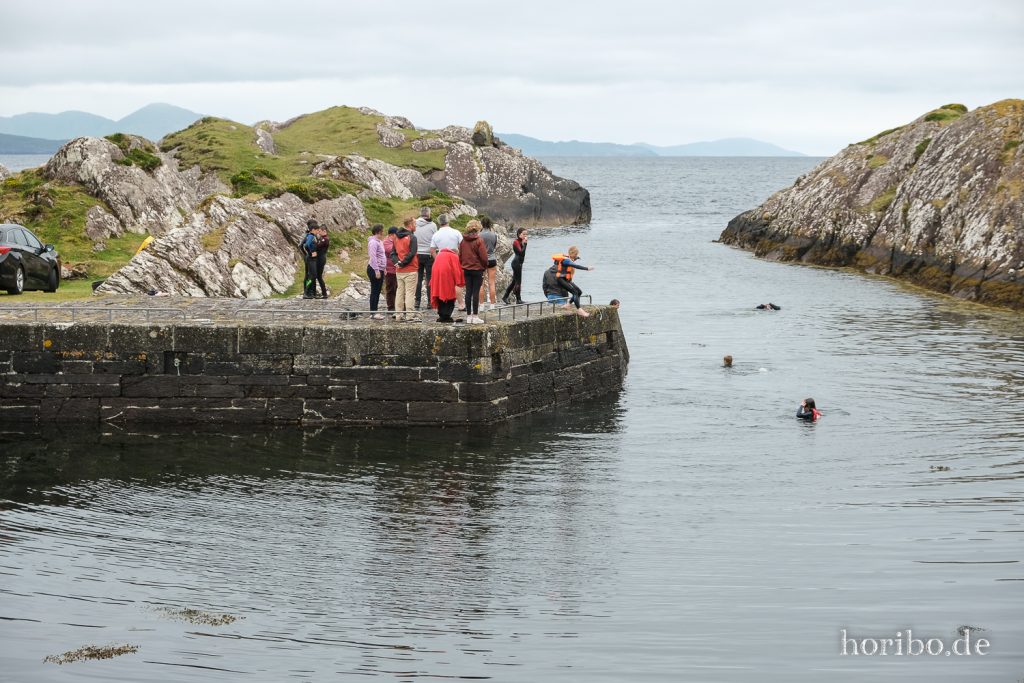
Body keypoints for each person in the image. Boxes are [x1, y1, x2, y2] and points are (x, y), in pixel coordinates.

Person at [459, 220, 489, 324]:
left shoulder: (463, 241)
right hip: (477, 269)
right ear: (478, 228)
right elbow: (484, 257)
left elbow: (460, 255)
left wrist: (463, 265)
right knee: (475, 292)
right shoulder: (479, 241)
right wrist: (484, 266)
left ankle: (468, 316)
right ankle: (475, 316)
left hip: (466, 269)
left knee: (468, 292)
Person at [551, 246, 594, 317]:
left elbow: (572, 262)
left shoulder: (570, 259)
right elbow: (576, 266)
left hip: (566, 280)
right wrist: (587, 268)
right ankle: (579, 310)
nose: (576, 256)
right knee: (575, 292)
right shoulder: (566, 260)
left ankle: (568, 304)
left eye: (577, 255)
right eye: (575, 254)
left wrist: (576, 258)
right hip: (561, 279)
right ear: (571, 253)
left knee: (579, 292)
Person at [389, 217, 419, 321]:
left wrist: (397, 262)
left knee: (399, 292)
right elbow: (412, 253)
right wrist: (403, 263)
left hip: (399, 271)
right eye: (415, 224)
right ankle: (410, 315)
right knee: (410, 293)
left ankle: (398, 315)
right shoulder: (412, 237)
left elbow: (393, 253)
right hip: (410, 269)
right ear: (410, 225)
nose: (416, 226)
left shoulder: (396, 237)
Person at [430, 237, 465, 323]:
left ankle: (441, 315)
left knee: (439, 295)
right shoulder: (454, 256)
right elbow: (457, 270)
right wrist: (459, 281)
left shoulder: (439, 255)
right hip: (448, 280)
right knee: (449, 296)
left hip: (437, 278)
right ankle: (446, 316)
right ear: (456, 250)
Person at [414, 207, 437, 310]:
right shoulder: (432, 225)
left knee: (418, 278)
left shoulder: (415, 223)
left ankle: (417, 301)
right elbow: (435, 240)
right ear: (428, 214)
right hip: (429, 255)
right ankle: (429, 302)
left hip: (417, 254)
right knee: (429, 278)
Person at [502, 227, 528, 304]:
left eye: (526, 234)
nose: (525, 236)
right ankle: (518, 299)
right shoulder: (516, 242)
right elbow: (521, 253)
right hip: (516, 263)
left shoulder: (522, 241)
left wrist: (524, 244)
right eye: (523, 234)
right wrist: (525, 244)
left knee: (514, 281)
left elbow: (523, 254)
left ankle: (505, 297)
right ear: (519, 234)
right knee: (518, 282)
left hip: (519, 263)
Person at [478, 215, 499, 309]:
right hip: (492, 259)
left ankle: (481, 305)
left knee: (481, 283)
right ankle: (492, 305)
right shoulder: (494, 234)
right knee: (492, 283)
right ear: (490, 224)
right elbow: (494, 246)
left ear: (482, 224)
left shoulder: (479, 235)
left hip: (481, 260)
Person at [367, 224, 386, 319]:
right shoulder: (373, 243)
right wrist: (377, 270)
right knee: (375, 290)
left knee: (377, 291)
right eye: (382, 231)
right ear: (379, 231)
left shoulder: (379, 242)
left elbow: (382, 256)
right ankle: (373, 312)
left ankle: (374, 311)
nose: (383, 232)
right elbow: (373, 257)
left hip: (380, 269)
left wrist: (384, 268)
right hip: (375, 269)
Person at [301, 220, 319, 299]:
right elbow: (307, 245)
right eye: (316, 230)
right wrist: (310, 253)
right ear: (313, 230)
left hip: (308, 258)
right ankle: (306, 292)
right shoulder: (311, 236)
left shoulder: (307, 235)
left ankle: (311, 293)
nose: (317, 231)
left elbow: (301, 245)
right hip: (311, 259)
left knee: (309, 275)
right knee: (312, 276)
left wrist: (305, 254)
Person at [383, 227, 398, 312]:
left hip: (396, 269)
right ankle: (391, 306)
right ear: (391, 235)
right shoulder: (386, 242)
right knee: (390, 289)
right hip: (389, 269)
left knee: (397, 288)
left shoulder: (395, 241)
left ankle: (397, 305)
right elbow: (391, 250)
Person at [313, 225, 330, 298]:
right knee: (316, 276)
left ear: (324, 231)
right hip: (318, 258)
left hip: (321, 259)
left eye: (320, 231)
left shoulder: (325, 239)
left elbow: (317, 246)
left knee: (318, 276)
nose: (319, 233)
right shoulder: (321, 238)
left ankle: (324, 293)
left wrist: (314, 242)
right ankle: (320, 293)